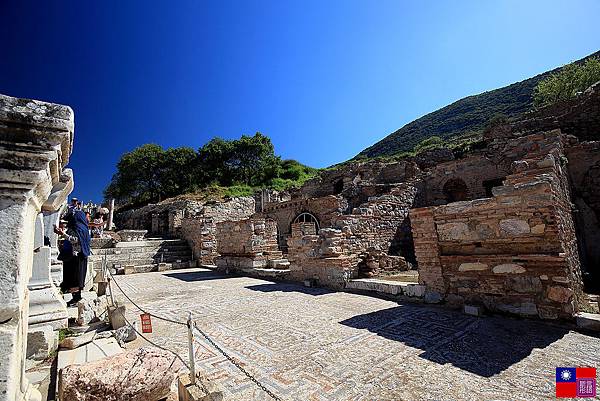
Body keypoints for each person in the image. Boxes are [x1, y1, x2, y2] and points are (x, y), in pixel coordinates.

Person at [55, 206, 91, 306]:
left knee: (75, 278)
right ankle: (75, 298)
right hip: (75, 257)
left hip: (77, 258)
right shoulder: (82, 228)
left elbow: (75, 240)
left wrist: (62, 234)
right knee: (74, 278)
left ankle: (76, 299)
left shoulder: (80, 229)